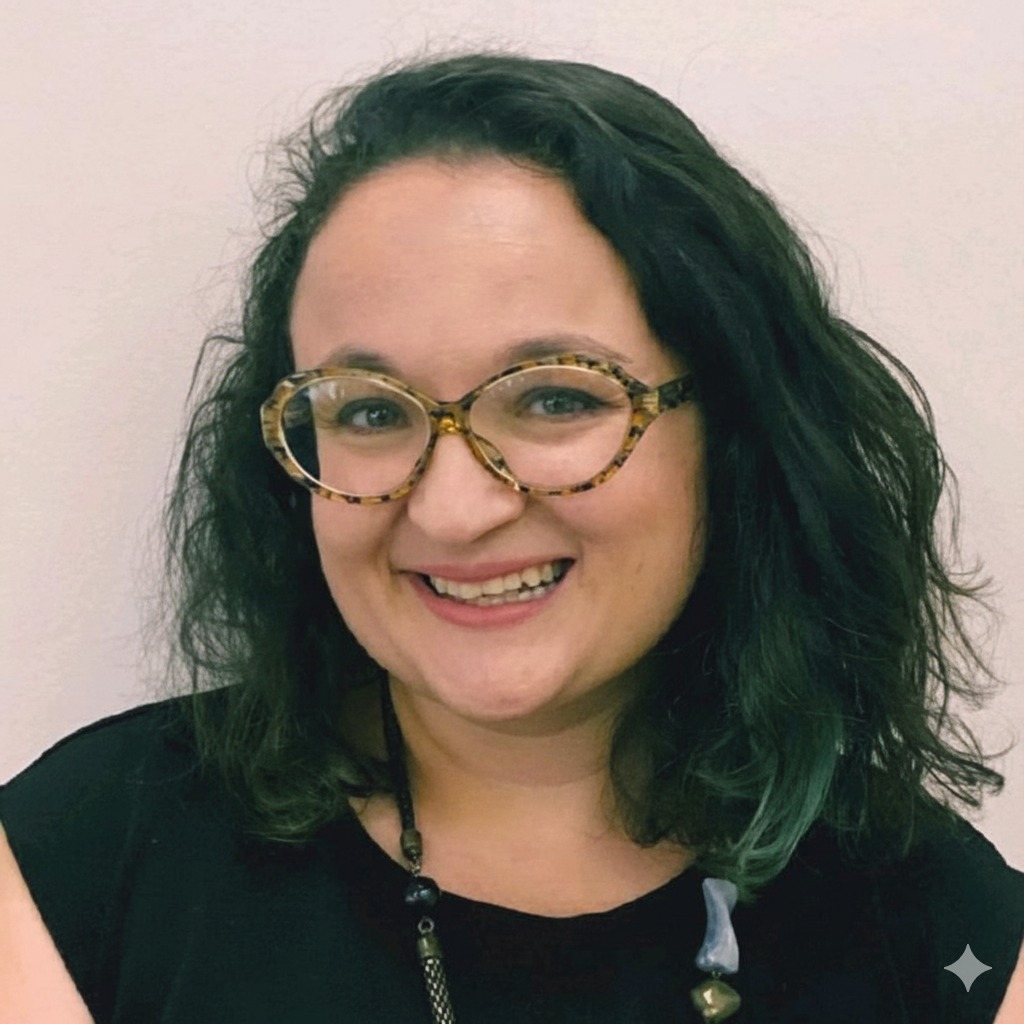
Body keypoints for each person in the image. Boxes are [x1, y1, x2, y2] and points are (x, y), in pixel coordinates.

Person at [1, 52, 1021, 1024]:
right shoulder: (84, 865)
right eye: (369, 411)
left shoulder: (943, 934)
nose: (452, 509)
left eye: (555, 397)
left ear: (735, 435)